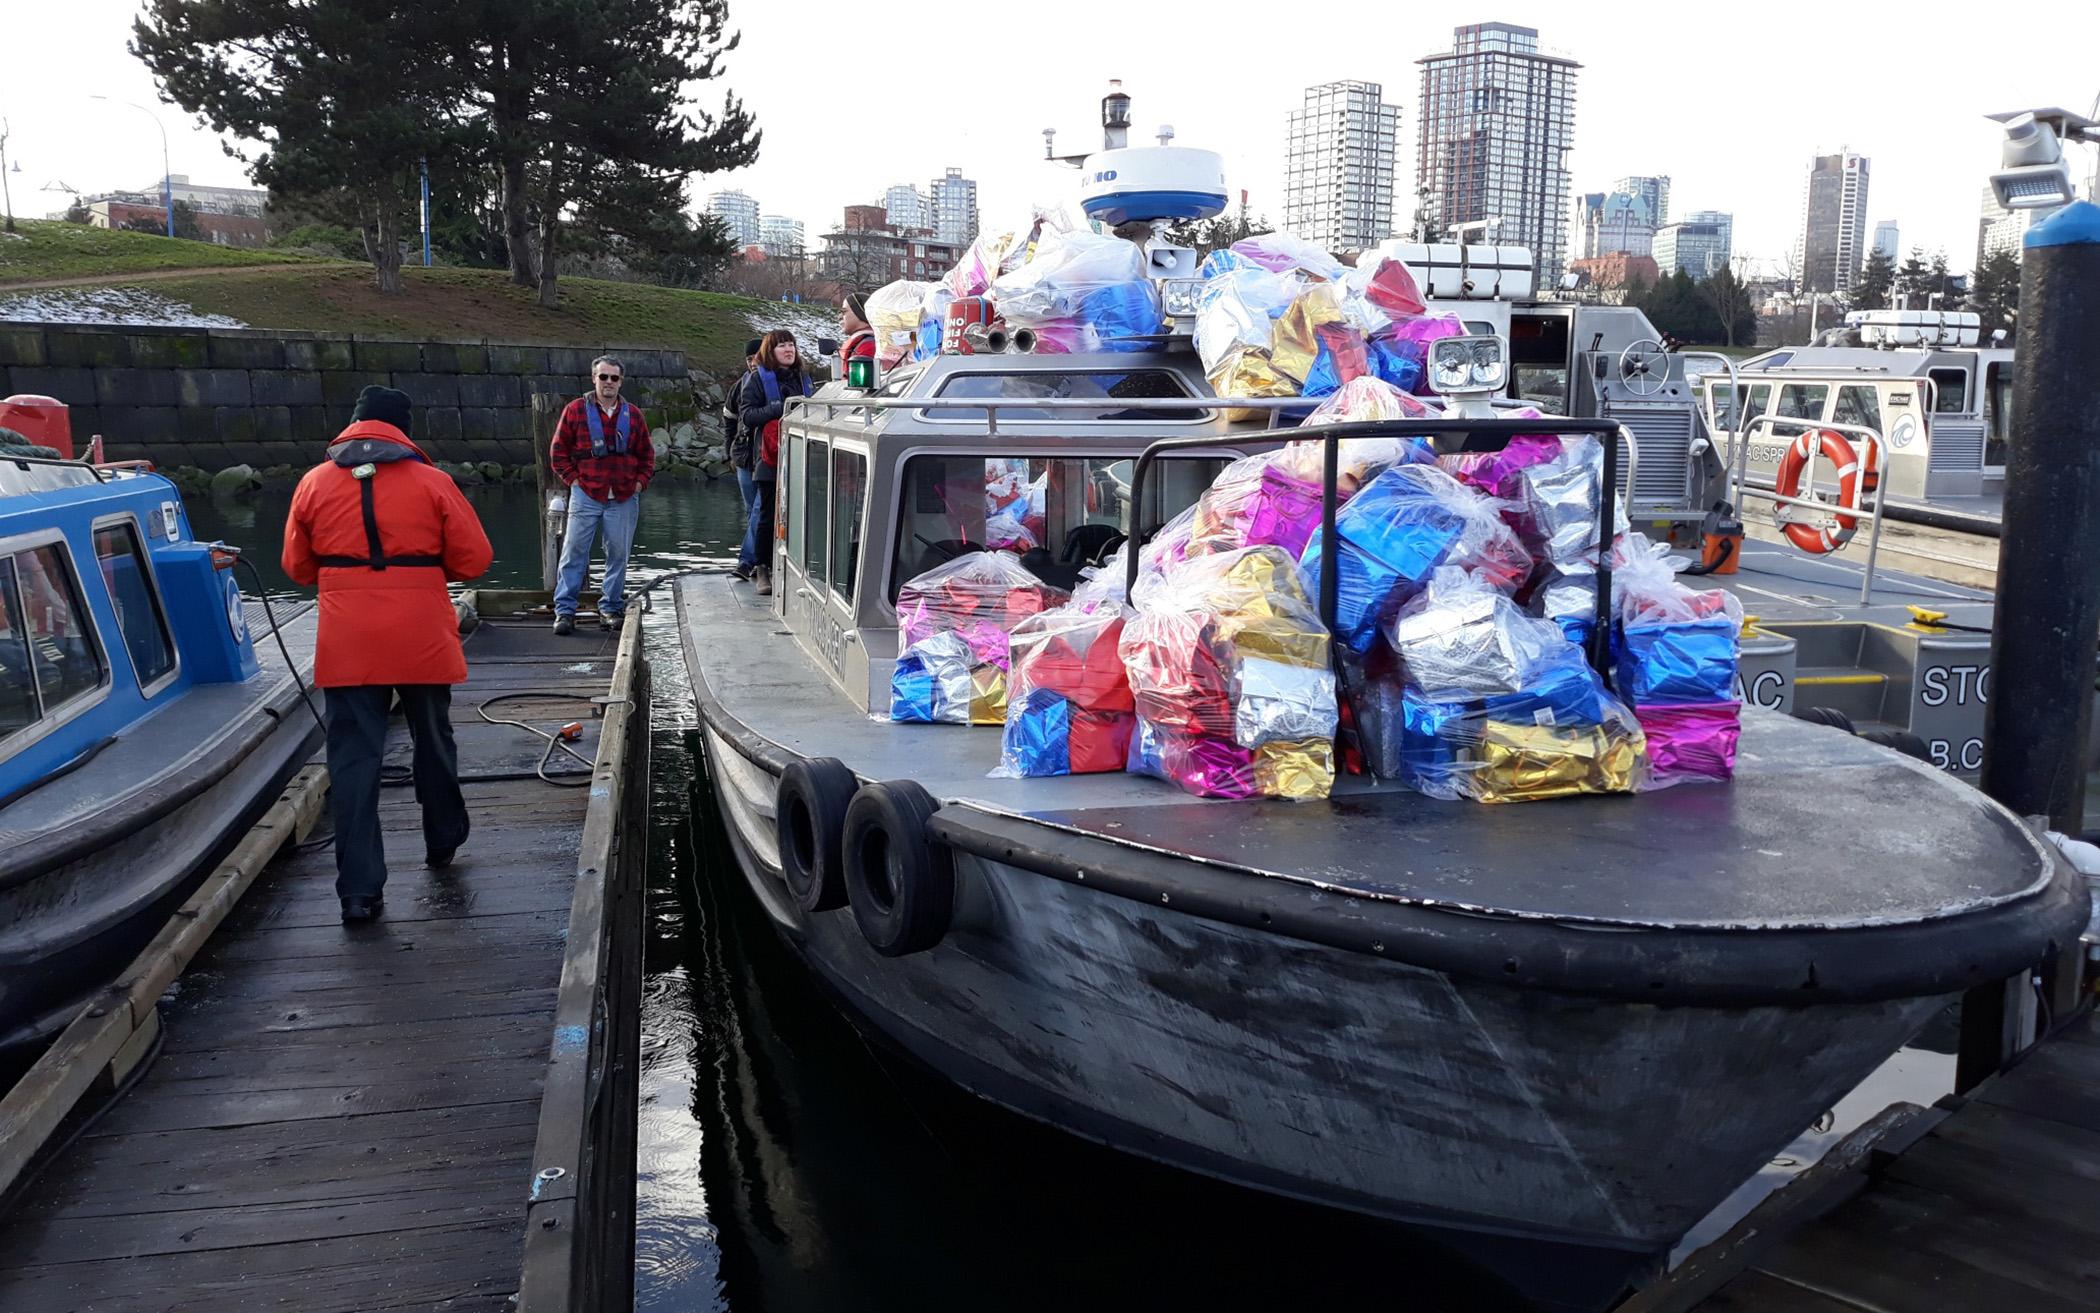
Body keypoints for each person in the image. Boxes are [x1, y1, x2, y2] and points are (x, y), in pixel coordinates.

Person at [282, 385, 494, 924]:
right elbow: (474, 560)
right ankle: (443, 839)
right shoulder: (433, 481)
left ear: (353, 425)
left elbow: (297, 568)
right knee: (433, 734)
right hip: (420, 628)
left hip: (349, 637)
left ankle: (359, 891)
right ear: (402, 430)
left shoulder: (312, 483)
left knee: (353, 759)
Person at [550, 354, 655, 634]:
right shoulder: (574, 410)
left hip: (622, 495)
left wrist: (640, 483)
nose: (608, 382)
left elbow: (647, 454)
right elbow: (558, 452)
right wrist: (573, 480)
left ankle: (610, 607)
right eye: (603, 376)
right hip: (586, 492)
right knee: (574, 552)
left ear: (621, 381)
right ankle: (564, 610)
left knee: (618, 554)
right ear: (594, 378)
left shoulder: (633, 414)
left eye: (614, 378)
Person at [736, 330, 812, 597]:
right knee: (766, 515)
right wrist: (780, 408)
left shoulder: (803, 378)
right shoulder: (757, 380)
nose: (788, 349)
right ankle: (762, 567)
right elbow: (747, 417)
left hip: (801, 457)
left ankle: (796, 566)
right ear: (771, 350)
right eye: (782, 346)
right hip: (768, 458)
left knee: (801, 513)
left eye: (791, 344)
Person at [726, 338, 764, 582]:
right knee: (753, 511)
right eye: (749, 359)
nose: (752, 363)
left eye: (756, 358)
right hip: (743, 456)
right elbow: (729, 420)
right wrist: (729, 450)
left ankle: (747, 560)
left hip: (765, 458)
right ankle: (760, 560)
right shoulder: (738, 387)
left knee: (760, 510)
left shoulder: (771, 384)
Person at [840, 293, 876, 371]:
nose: (839, 317)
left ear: (859, 313)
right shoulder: (866, 342)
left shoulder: (868, 346)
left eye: (844, 312)